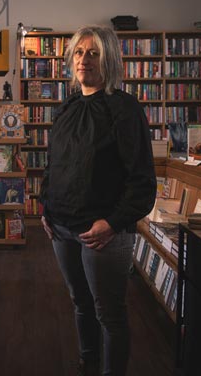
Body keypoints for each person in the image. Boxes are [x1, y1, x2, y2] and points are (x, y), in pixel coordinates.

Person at [40, 25, 156, 376]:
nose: (83, 60)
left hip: (103, 231)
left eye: (93, 53)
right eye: (78, 52)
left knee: (110, 313)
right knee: (80, 303)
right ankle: (88, 362)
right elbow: (54, 162)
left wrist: (112, 223)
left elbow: (142, 180)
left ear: (109, 60)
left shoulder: (124, 110)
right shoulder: (67, 107)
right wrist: (46, 206)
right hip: (61, 228)